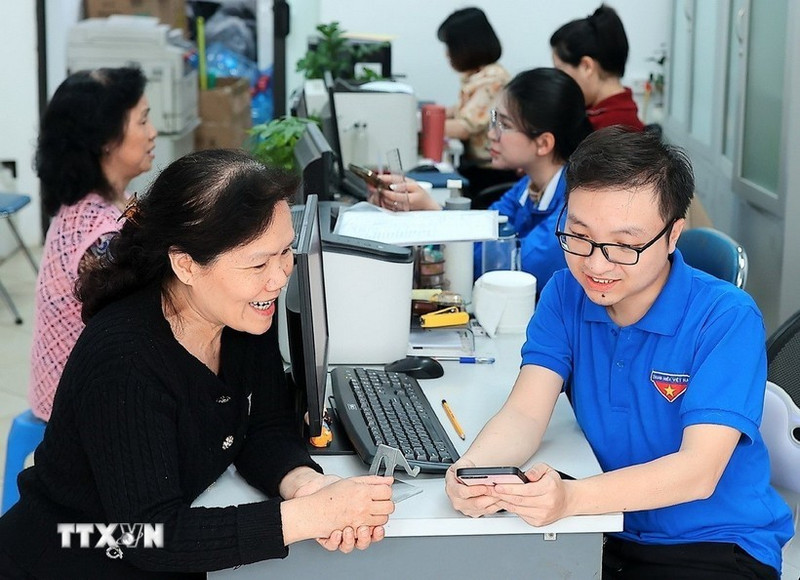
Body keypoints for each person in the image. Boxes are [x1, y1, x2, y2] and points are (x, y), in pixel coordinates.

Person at [0, 150, 394, 578]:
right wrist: (306, 518)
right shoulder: (124, 360)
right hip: (69, 556)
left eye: (286, 252)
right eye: (258, 263)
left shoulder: (241, 313)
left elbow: (263, 425)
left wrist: (307, 485)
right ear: (186, 264)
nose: (279, 277)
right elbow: (149, 536)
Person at [444, 127, 794, 579]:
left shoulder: (726, 318)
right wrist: (473, 469)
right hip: (606, 525)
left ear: (673, 235)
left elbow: (698, 471)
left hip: (713, 542)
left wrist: (571, 498)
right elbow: (526, 413)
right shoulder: (565, 294)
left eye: (624, 245)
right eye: (579, 235)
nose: (596, 264)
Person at [374, 68, 593, 291]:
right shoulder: (527, 187)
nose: (491, 134)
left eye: (505, 125)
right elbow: (481, 231)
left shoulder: (573, 209)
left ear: (544, 143)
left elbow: (500, 267)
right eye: (495, 121)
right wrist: (430, 209)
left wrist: (434, 213)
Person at [29, 67, 157, 421]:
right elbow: (138, 331)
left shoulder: (106, 201)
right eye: (142, 121)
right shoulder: (99, 238)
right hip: (79, 410)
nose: (153, 132)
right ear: (106, 141)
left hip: (92, 388)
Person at [437, 7, 517, 196]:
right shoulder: (478, 76)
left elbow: (465, 127)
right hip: (478, 166)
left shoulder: (492, 80)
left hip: (489, 172)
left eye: (450, 47)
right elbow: (461, 111)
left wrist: (417, 126)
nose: (447, 54)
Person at [550, 4, 645, 132]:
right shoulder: (600, 113)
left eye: (560, 70)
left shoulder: (614, 129)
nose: (559, 80)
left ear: (586, 66)